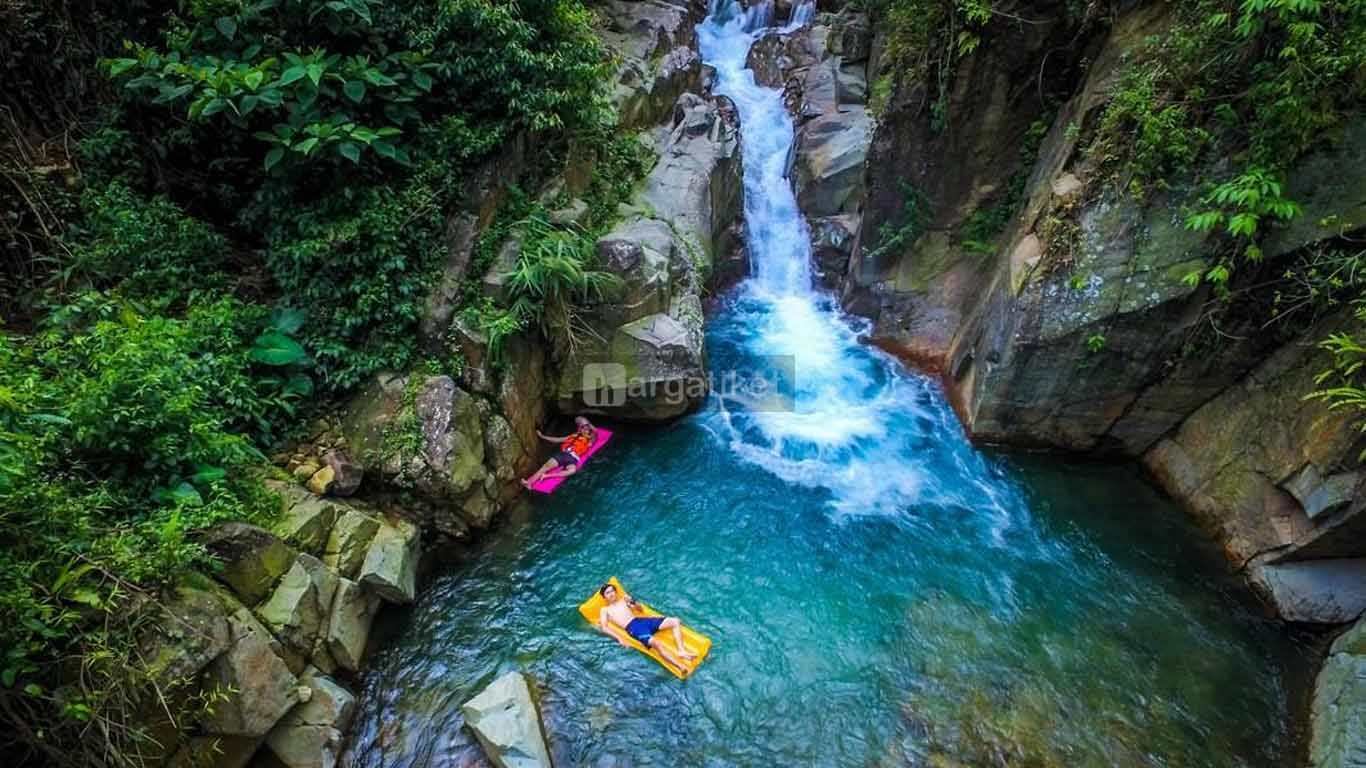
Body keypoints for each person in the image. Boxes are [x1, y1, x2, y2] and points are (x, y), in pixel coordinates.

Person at [595, 582, 697, 676]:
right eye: (608, 593)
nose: (611, 594)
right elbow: (604, 627)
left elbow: (640, 609)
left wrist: (632, 601)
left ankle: (681, 651)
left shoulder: (623, 600)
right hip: (633, 628)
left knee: (675, 621)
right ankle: (680, 666)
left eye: (612, 591)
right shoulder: (605, 610)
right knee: (657, 643)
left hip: (641, 621)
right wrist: (620, 638)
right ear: (604, 597)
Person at [521, 416, 597, 488]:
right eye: (583, 428)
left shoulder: (589, 442)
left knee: (572, 470)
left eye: (587, 430)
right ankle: (528, 482)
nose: (585, 430)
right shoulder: (572, 436)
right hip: (563, 455)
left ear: (589, 433)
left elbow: (595, 432)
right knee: (545, 467)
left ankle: (547, 476)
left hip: (573, 459)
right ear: (580, 429)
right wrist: (543, 436)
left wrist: (587, 423)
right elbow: (557, 439)